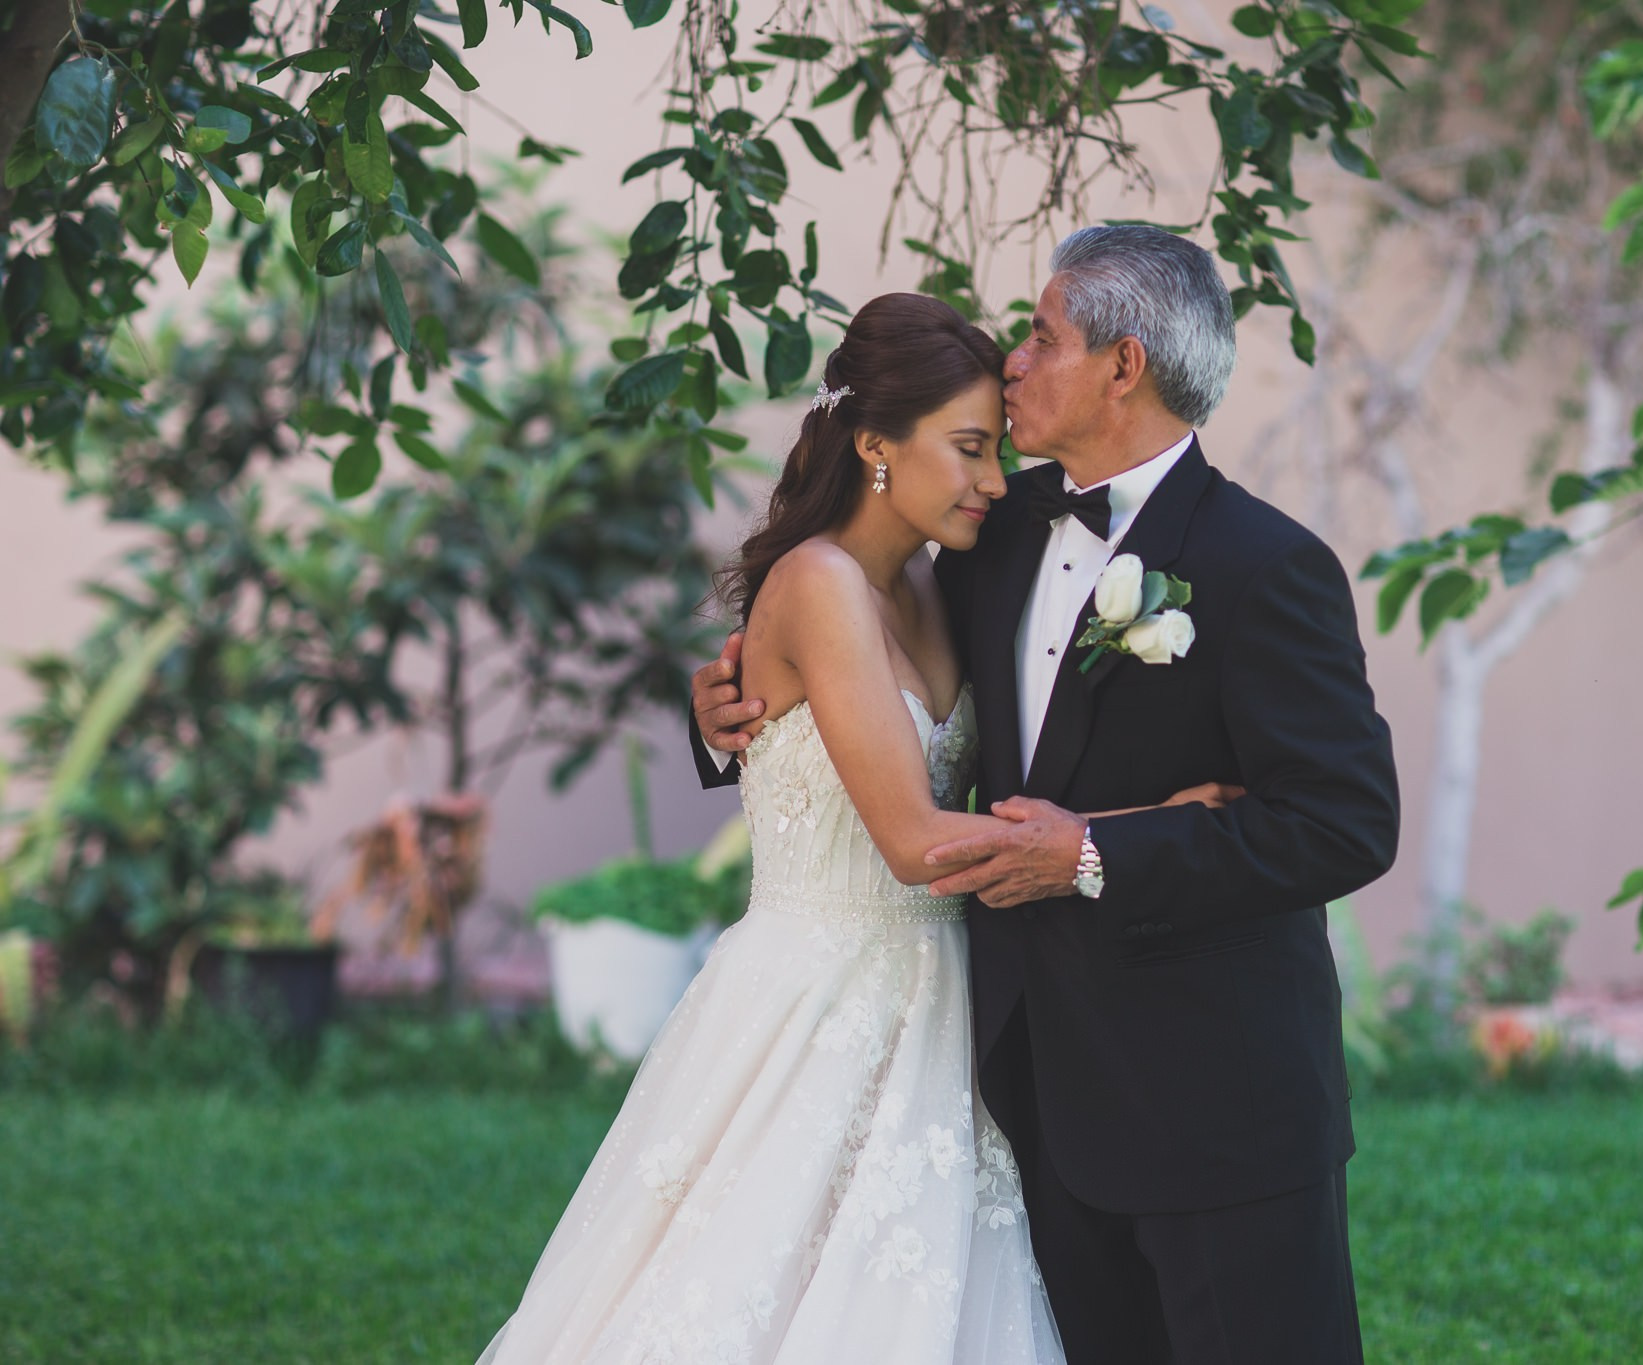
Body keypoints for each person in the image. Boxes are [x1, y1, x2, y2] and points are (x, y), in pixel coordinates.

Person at [694, 227, 1401, 1365]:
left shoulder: (1268, 568)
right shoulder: (991, 530)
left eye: (1040, 334)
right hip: (1025, 1097)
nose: (1012, 360)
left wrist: (1095, 852)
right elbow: (861, 675)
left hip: (1221, 1113)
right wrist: (730, 707)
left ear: (1123, 366)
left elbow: (1344, 822)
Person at [479, 292, 1228, 1365]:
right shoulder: (820, 581)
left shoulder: (936, 577)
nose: (992, 480)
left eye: (997, 449)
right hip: (817, 995)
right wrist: (1150, 823)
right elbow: (916, 843)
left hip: (941, 1000)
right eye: (967, 449)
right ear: (875, 444)